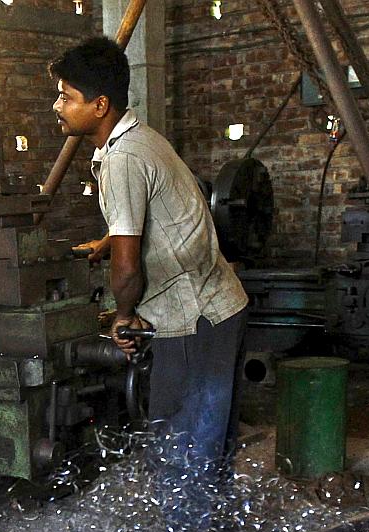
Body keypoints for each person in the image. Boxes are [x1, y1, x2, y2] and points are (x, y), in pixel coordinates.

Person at [50, 37, 250, 470]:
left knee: (183, 456)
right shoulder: (143, 138)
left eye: (67, 97)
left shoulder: (122, 159)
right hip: (220, 308)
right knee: (211, 449)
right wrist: (107, 241)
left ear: (100, 105)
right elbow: (170, 205)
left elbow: (126, 269)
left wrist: (123, 316)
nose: (58, 105)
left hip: (192, 320)